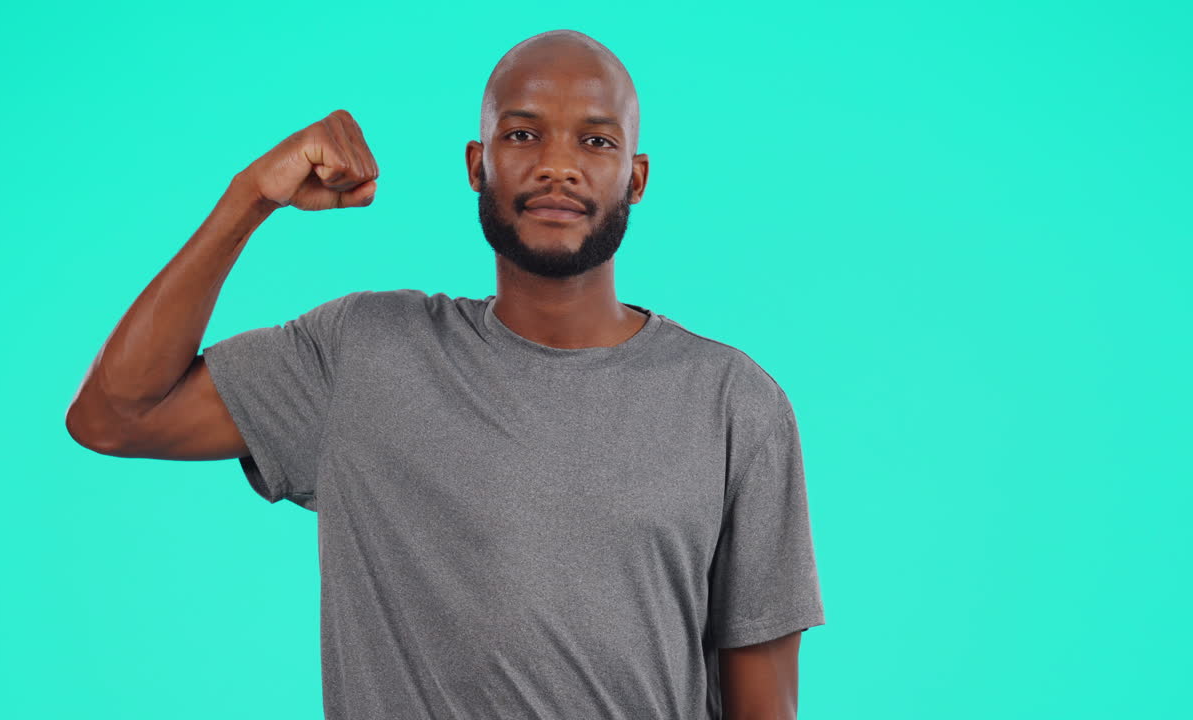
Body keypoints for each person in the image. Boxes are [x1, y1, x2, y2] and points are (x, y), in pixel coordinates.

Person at [66, 28, 825, 720]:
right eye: (522, 133)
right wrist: (247, 199)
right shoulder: (364, 354)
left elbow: (765, 704)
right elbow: (113, 415)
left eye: (596, 140)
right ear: (477, 163)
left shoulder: (735, 404)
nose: (558, 164)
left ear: (636, 176)